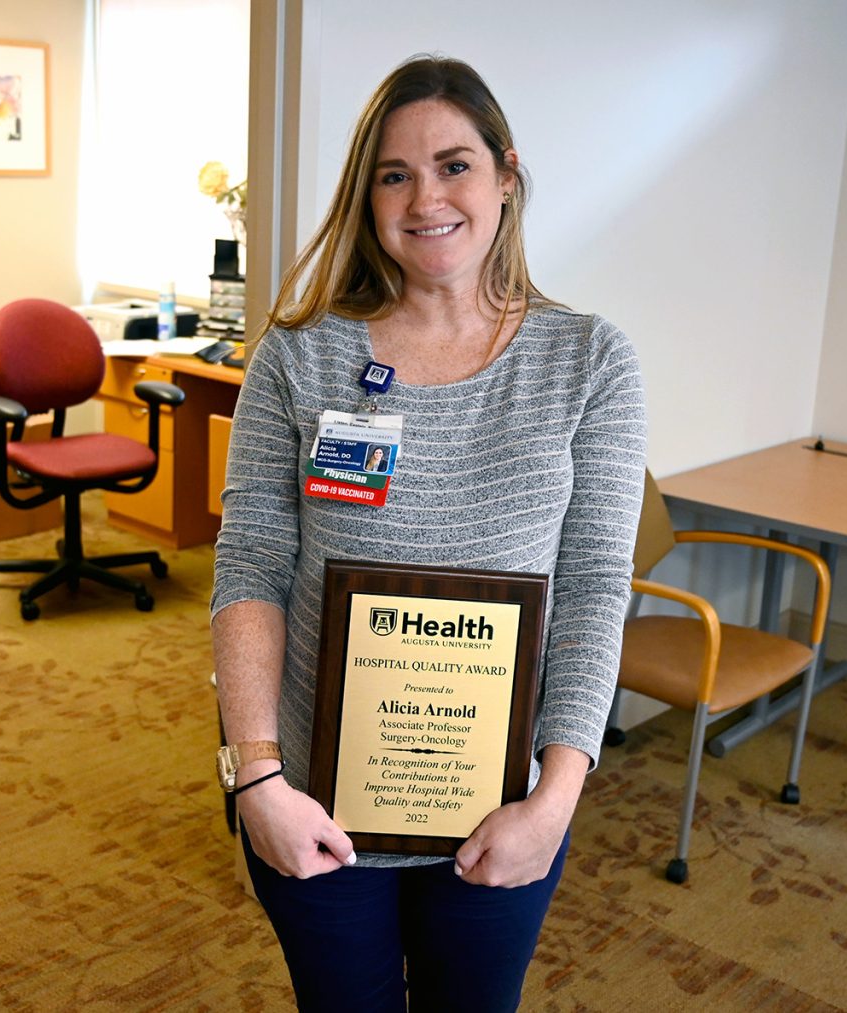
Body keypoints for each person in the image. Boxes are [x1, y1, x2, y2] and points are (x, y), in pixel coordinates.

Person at [211, 54, 646, 1012]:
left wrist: (555, 801)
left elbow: (591, 593)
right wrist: (258, 781)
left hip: (501, 810)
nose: (426, 198)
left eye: (454, 165)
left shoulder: (590, 361)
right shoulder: (299, 354)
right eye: (394, 174)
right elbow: (249, 568)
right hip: (311, 799)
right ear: (367, 195)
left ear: (506, 177)